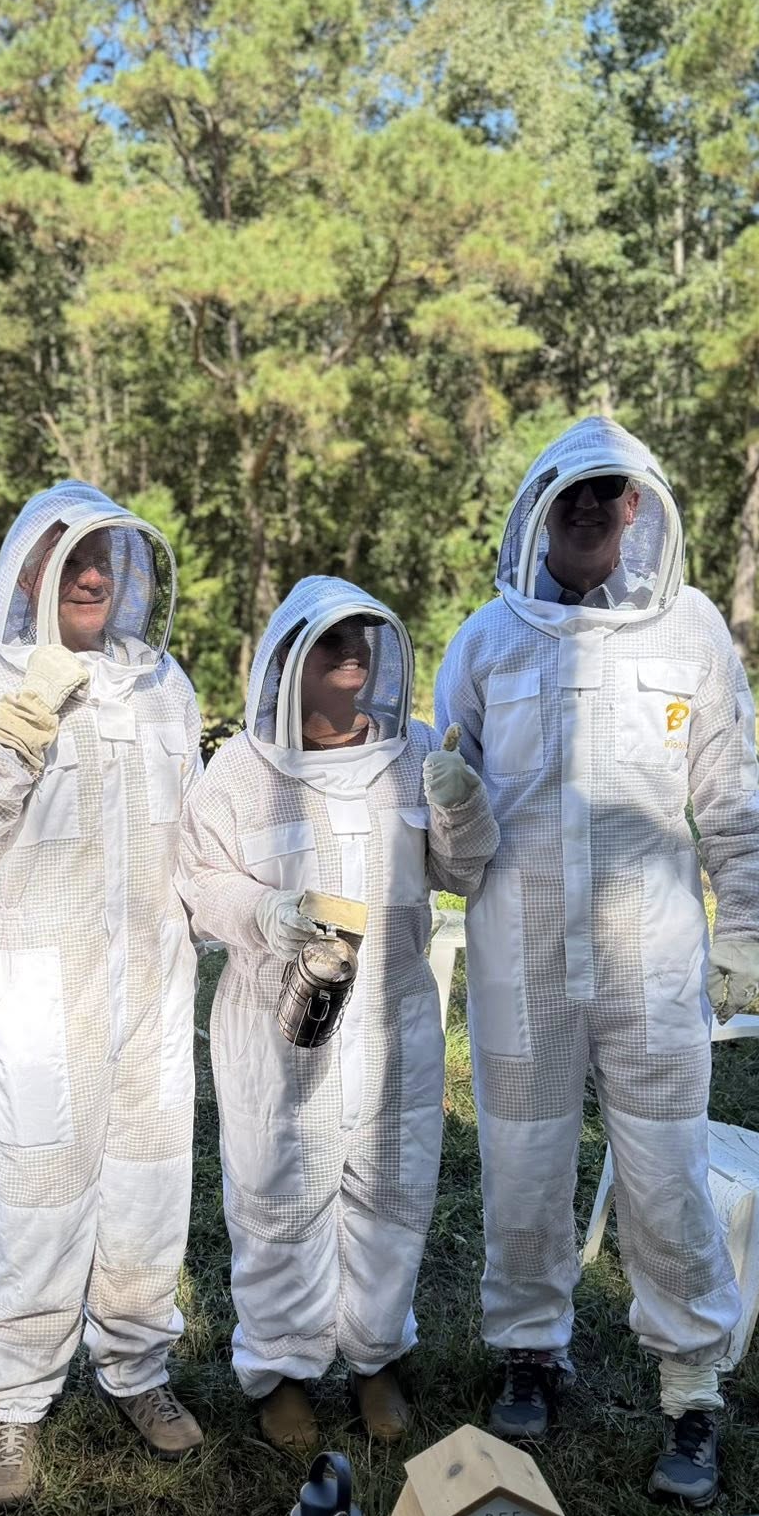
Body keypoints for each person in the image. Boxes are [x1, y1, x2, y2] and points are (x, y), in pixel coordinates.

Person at [434, 417, 759, 1504]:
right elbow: (450, 835)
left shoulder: (692, 631)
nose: (587, 509)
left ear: (638, 506)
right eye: (570, 494)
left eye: (607, 492)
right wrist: (446, 812)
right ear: (540, 507)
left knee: (668, 1174)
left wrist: (746, 920)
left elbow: (729, 788)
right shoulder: (488, 640)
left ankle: (692, 1389)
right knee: (523, 1167)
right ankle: (530, 1352)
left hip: (651, 960)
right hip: (520, 959)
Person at [0, 481, 204, 1506]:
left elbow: (191, 828)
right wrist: (20, 728)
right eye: (69, 558)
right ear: (29, 571)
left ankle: (137, 1365)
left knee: (149, 1182)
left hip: (155, 978)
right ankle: (15, 1401)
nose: (90, 576)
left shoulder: (162, 683)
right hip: (40, 980)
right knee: (39, 1190)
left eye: (105, 559)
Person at [177, 579, 498, 1451]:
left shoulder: (414, 750)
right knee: (278, 1193)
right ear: (288, 662)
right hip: (280, 1023)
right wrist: (263, 912)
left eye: (364, 635)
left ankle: (375, 1354)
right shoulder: (242, 771)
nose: (352, 651)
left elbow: (461, 871)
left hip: (393, 1016)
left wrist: (462, 805)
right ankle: (281, 1368)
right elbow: (200, 879)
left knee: (392, 1187)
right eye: (330, 640)